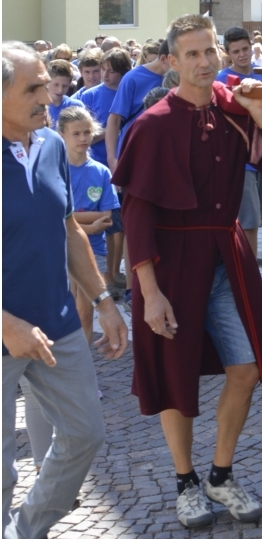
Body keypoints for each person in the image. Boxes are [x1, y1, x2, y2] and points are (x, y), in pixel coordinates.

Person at [112, 15, 262, 529]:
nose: (202, 62)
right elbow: (137, 214)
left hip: (227, 255)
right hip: (172, 265)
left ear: (219, 54)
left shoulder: (236, 110)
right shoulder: (151, 126)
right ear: (172, 64)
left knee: (247, 367)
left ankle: (220, 473)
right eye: (190, 54)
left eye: (208, 51)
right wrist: (148, 293)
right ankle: (185, 481)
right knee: (176, 378)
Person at [2, 42, 127, 539]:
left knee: (86, 434)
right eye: (32, 90)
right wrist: (7, 324)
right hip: (4, 337)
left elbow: (67, 226)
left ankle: (30, 533)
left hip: (57, 324)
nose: (47, 98)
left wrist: (102, 299)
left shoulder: (50, 144)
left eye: (45, 89)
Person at [55, 107, 118, 343]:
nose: (82, 138)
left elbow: (107, 214)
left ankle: (84, 365)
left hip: (94, 249)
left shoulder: (101, 171)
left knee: (86, 311)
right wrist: (90, 225)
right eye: (76, 133)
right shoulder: (55, 169)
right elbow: (57, 213)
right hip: (61, 247)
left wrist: (75, 219)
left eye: (86, 132)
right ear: (61, 134)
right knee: (64, 309)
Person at [217, 26, 262, 256]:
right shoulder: (221, 80)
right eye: (236, 51)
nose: (242, 54)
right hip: (240, 159)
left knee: (257, 218)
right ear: (228, 53)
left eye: (245, 49)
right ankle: (250, 276)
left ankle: (245, 271)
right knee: (248, 222)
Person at [81, 48, 132, 287]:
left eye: (111, 71)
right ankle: (99, 274)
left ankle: (114, 271)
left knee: (118, 222)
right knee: (101, 219)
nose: (105, 75)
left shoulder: (129, 93)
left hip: (123, 168)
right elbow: (82, 135)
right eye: (103, 69)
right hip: (96, 168)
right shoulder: (89, 96)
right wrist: (108, 132)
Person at [105, 40, 170, 173]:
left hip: (164, 156)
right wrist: (112, 159)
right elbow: (115, 119)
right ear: (164, 59)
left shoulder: (178, 78)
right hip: (135, 154)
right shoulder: (133, 78)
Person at [45, 59, 82, 124]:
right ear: (47, 82)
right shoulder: (38, 107)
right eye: (56, 85)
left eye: (65, 86)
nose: (60, 90)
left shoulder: (76, 106)